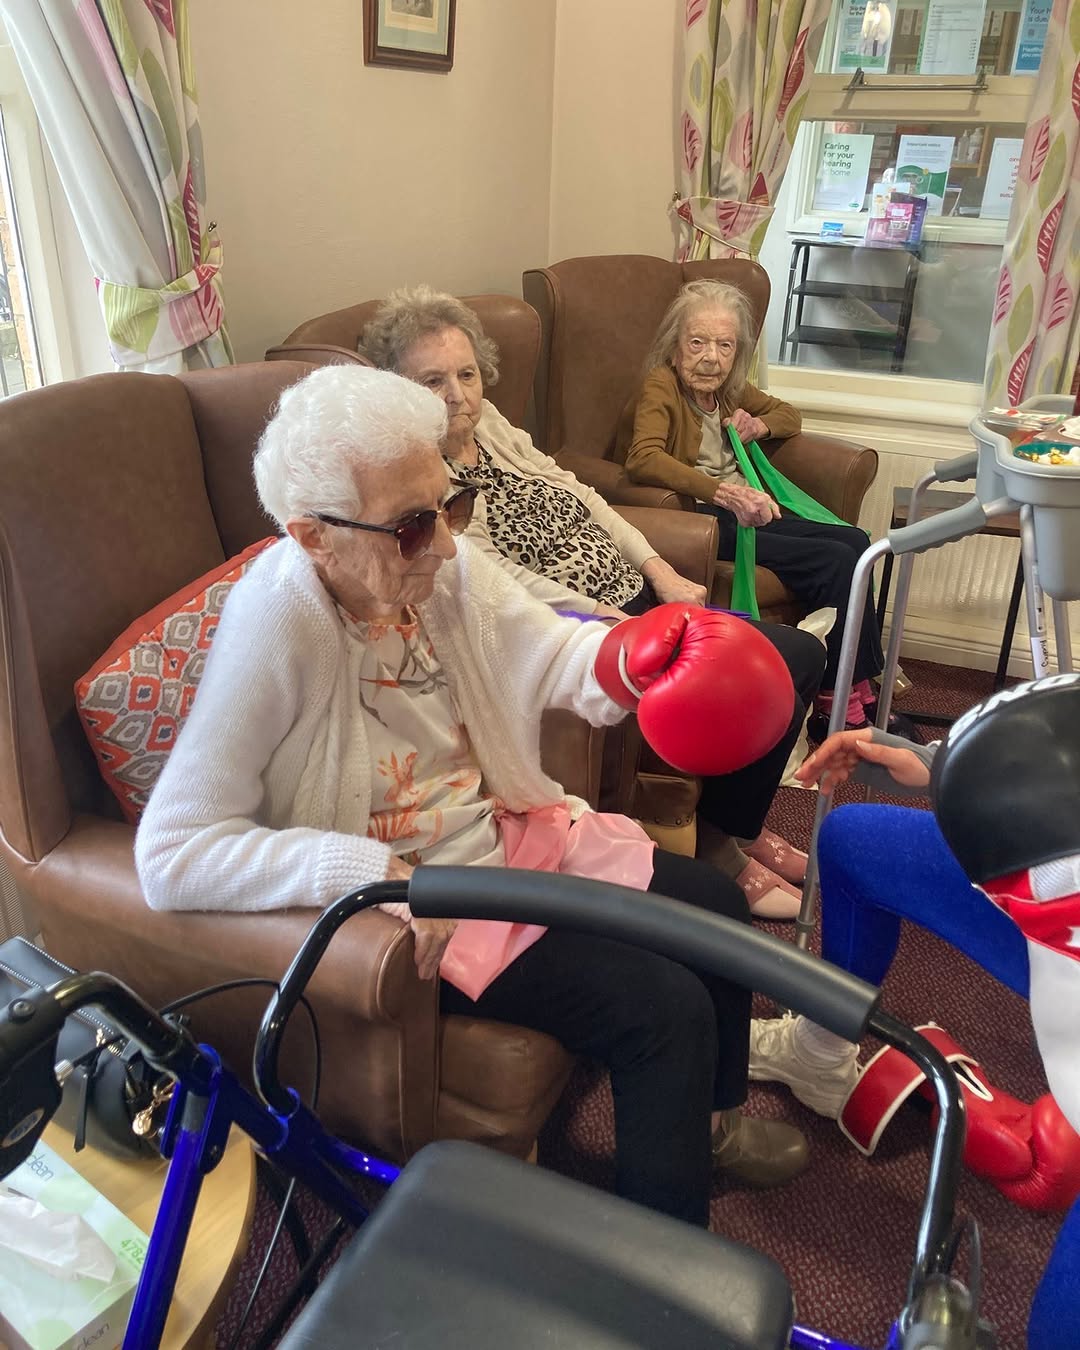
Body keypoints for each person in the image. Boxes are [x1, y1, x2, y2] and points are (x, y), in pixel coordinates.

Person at [134, 363, 809, 1229]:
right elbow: (172, 853)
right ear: (313, 537)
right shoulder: (281, 619)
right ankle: (660, 1277)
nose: (448, 544)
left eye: (449, 505)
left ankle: (706, 1128)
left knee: (716, 905)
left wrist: (626, 660)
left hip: (507, 839)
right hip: (428, 909)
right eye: (415, 525)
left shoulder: (436, 566)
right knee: (661, 1009)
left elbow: (548, 650)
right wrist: (364, 868)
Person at [360, 284, 825, 920]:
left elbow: (577, 491)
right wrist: (611, 621)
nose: (458, 394)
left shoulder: (489, 424)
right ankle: (718, 846)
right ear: (397, 389)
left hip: (636, 598)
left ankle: (728, 827)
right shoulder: (425, 478)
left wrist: (657, 568)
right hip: (587, 623)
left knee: (797, 657)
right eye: (432, 379)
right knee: (778, 659)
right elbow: (492, 582)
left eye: (467, 373)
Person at [751, 675, 1080, 1347]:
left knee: (1058, 1329)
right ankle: (816, 1056)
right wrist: (942, 772)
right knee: (852, 845)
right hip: (1062, 906)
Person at [615, 278, 910, 742]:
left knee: (855, 542)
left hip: (746, 507)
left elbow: (789, 415)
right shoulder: (662, 386)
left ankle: (857, 682)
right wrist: (721, 492)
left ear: (737, 354)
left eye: (724, 345)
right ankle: (839, 699)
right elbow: (643, 456)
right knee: (835, 557)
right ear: (675, 347)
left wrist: (760, 424)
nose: (711, 357)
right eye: (697, 342)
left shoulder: (728, 390)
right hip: (702, 518)